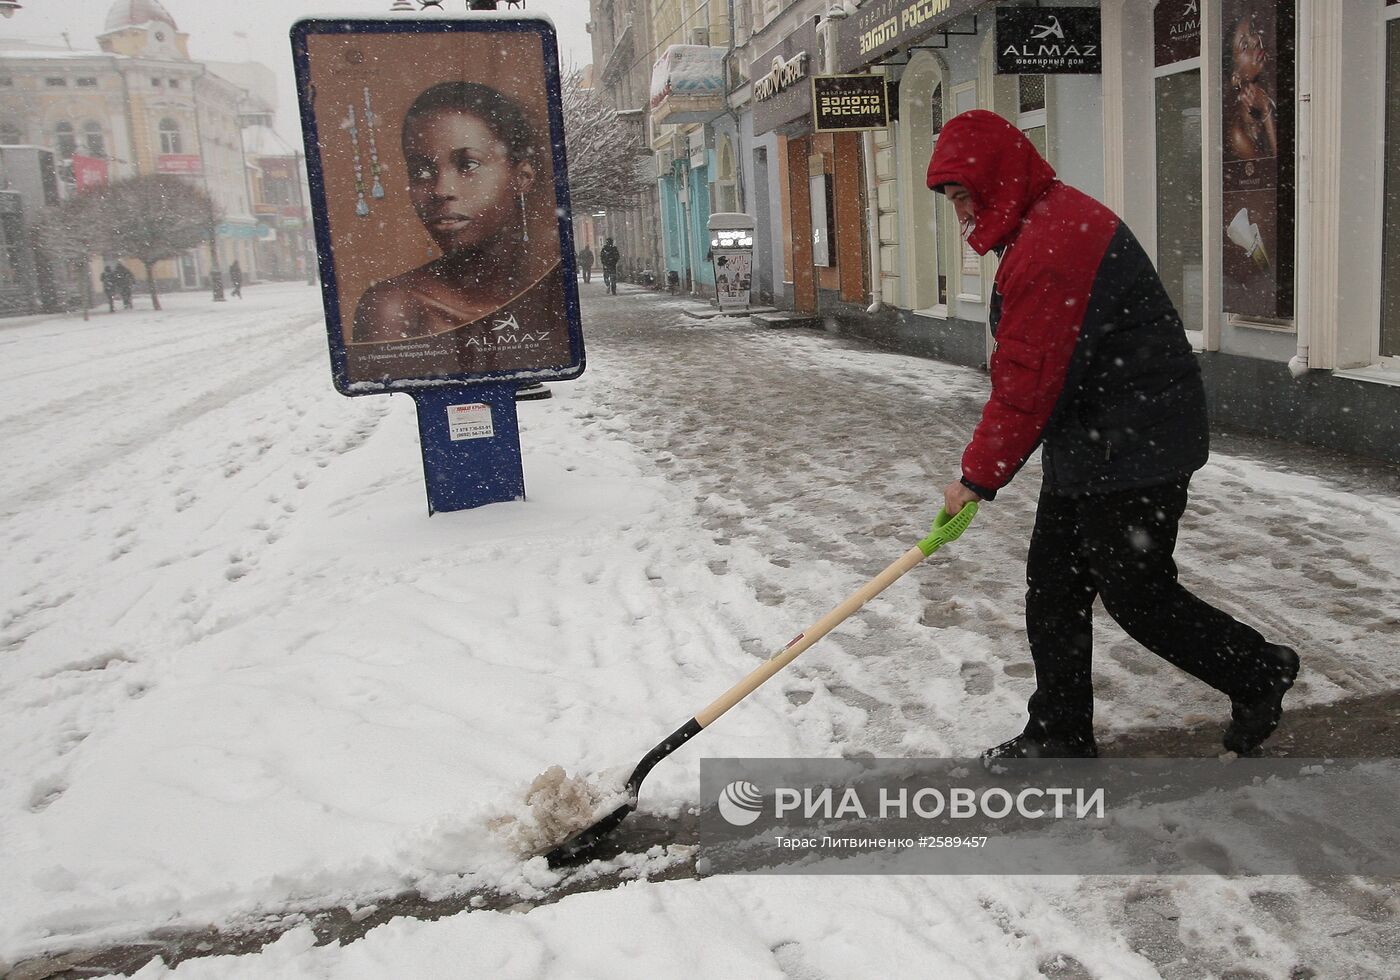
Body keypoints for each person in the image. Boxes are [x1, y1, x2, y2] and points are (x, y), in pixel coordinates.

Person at [925, 110, 1299, 761]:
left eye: (964, 196)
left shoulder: (1051, 246)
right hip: (1096, 442)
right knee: (1054, 587)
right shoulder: (1042, 224)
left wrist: (976, 478)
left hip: (1136, 447)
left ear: (994, 181)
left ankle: (1257, 670)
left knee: (1138, 597)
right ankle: (1061, 730)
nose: (960, 213)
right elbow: (1037, 373)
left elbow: (1028, 382)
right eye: (954, 199)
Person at [353, 81, 543, 343]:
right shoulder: (392, 307)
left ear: (522, 177)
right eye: (421, 171)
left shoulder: (549, 288)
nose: (441, 190)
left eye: (467, 164)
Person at [1226, 12, 1277, 161]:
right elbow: (1274, 172)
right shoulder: (1239, 133)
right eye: (1244, 45)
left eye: (1253, 31)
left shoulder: (1272, 80)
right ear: (1236, 77)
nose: (1255, 40)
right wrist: (1266, 109)